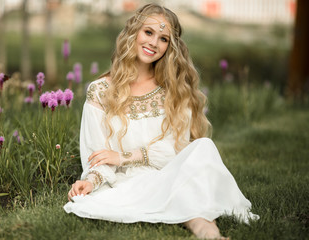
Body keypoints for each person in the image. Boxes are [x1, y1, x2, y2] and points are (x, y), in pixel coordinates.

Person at [64, 3, 258, 239]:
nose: (154, 43)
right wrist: (92, 182)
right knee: (187, 195)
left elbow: (175, 151)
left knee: (203, 148)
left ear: (170, 46)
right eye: (148, 32)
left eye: (163, 38)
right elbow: (98, 154)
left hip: (171, 174)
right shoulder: (101, 91)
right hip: (128, 182)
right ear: (133, 33)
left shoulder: (175, 91)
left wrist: (124, 155)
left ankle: (211, 235)